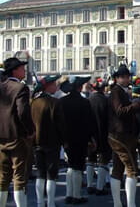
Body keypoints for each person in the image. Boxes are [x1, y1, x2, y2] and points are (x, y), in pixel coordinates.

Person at [108, 65, 140, 207]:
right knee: (131, 169)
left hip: (122, 134)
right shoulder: (116, 92)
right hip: (120, 135)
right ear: (117, 78)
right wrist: (138, 105)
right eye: (123, 77)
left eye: (127, 76)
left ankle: (117, 204)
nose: (127, 79)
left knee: (118, 169)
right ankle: (131, 204)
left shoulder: (122, 91)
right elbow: (120, 111)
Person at [0, 58, 34, 207]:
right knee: (19, 177)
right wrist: (30, 130)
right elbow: (23, 113)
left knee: (3, 177)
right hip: (17, 137)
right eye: (22, 68)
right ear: (15, 70)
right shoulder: (20, 88)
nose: (24, 70)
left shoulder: (1, 86)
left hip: (1, 137)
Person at [31, 75, 67, 207]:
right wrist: (64, 142)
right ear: (48, 87)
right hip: (52, 143)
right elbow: (61, 126)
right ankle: (51, 203)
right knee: (52, 174)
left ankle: (40, 203)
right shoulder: (55, 103)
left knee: (40, 174)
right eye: (54, 84)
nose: (56, 87)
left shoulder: (33, 103)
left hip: (37, 143)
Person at [60, 76, 96, 205]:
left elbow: (59, 123)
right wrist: (91, 139)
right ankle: (77, 195)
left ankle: (69, 194)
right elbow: (89, 123)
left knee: (70, 165)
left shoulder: (62, 102)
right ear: (80, 87)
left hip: (66, 139)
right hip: (80, 138)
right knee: (78, 167)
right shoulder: (84, 102)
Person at [87, 77, 112, 195]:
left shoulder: (88, 100)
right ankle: (99, 187)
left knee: (90, 160)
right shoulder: (106, 101)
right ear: (103, 88)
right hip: (103, 133)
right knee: (103, 161)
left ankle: (89, 185)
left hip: (90, 134)